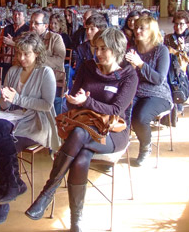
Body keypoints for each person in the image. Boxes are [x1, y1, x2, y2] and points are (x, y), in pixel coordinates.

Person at [25, 28, 138, 232]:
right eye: (97, 48)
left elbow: (115, 110)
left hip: (113, 132)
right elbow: (74, 104)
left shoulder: (129, 75)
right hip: (84, 125)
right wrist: (74, 102)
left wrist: (88, 101)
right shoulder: (87, 67)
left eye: (104, 49)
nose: (98, 53)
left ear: (118, 49)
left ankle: (47, 192)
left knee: (79, 134)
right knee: (81, 158)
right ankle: (76, 222)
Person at [0, 31, 60, 225]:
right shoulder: (12, 71)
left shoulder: (45, 72)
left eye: (26, 54)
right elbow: (4, 106)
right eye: (18, 53)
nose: (21, 58)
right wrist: (4, 99)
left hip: (37, 121)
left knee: (2, 148)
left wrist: (17, 99)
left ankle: (3, 201)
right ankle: (13, 184)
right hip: (15, 117)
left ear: (37, 53)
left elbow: (47, 105)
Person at [125, 16, 172, 167]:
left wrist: (140, 64)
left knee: (140, 117)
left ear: (151, 31)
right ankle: (116, 150)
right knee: (118, 112)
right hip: (136, 91)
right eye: (136, 27)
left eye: (142, 28)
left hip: (157, 94)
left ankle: (145, 147)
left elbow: (159, 79)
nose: (137, 30)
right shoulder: (132, 49)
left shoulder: (161, 50)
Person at [164, 10, 189, 95]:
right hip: (173, 67)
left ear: (187, 25)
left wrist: (183, 49)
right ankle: (177, 97)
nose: (178, 27)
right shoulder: (168, 38)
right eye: (176, 24)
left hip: (188, 67)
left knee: (181, 71)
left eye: (181, 24)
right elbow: (165, 56)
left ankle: (182, 95)